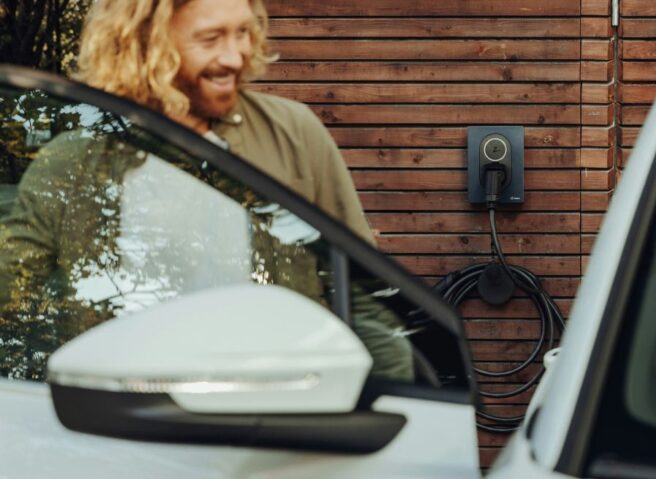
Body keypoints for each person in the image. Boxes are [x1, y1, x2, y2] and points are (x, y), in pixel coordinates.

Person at [0, 0, 414, 382]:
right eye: (211, 39)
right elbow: (11, 304)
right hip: (121, 424)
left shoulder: (295, 133)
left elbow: (366, 303)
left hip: (281, 421)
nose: (235, 56)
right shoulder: (71, 164)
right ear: (144, 44)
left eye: (243, 33)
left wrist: (397, 417)